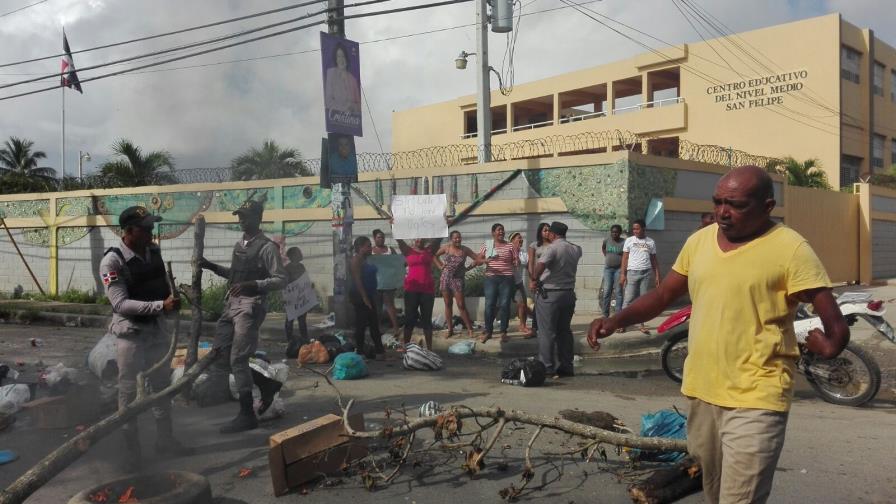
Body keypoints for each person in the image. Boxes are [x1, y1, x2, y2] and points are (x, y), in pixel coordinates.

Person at [588, 166, 849, 504]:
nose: (723, 212)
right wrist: (615, 320)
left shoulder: (791, 248)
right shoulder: (699, 241)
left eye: (735, 205)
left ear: (767, 206)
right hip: (703, 392)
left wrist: (829, 345)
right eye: (718, 202)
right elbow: (664, 295)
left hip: (758, 394)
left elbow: (834, 322)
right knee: (714, 491)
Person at [99, 206, 191, 472]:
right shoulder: (112, 262)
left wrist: (172, 301)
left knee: (161, 389)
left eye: (152, 227)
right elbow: (120, 304)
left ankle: (165, 441)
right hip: (132, 335)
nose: (151, 232)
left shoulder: (154, 252)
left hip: (156, 332)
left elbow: (161, 285)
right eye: (146, 228)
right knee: (128, 395)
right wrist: (160, 306)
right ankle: (132, 453)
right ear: (128, 231)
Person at [199, 199, 288, 433]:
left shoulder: (267, 247)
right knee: (221, 354)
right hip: (231, 305)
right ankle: (267, 385)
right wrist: (210, 266)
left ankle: (247, 414)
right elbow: (234, 276)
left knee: (238, 359)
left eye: (245, 216)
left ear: (258, 218)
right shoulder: (239, 245)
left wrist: (254, 284)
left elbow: (281, 279)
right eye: (239, 216)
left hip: (250, 306)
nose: (241, 220)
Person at [529, 221, 582, 379]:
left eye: (549, 233)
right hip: (568, 294)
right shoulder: (575, 248)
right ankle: (566, 366)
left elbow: (539, 267)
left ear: (553, 234)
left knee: (547, 333)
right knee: (564, 332)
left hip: (550, 294)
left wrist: (534, 278)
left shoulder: (552, 248)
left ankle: (548, 367)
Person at [396, 237, 441, 350]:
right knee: (409, 320)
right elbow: (399, 239)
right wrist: (393, 225)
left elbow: (439, 239)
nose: (419, 240)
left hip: (427, 290)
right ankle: (406, 348)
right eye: (417, 238)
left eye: (421, 238)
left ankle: (429, 349)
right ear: (413, 239)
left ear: (425, 240)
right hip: (411, 289)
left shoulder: (430, 250)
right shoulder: (408, 250)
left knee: (427, 320)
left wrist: (446, 225)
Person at [434, 230, 480, 339]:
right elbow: (434, 256)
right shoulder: (446, 248)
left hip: (458, 279)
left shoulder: (465, 250)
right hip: (445, 278)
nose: (458, 239)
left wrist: (468, 268)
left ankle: (470, 329)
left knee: (461, 304)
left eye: (459, 237)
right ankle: (450, 329)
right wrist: (440, 266)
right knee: (448, 303)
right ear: (451, 239)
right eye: (455, 238)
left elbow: (477, 259)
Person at [478, 223, 518, 343]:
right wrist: (485, 260)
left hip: (506, 279)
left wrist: (516, 261)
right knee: (489, 305)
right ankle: (488, 331)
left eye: (502, 230)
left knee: (505, 305)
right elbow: (478, 259)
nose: (501, 232)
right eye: (498, 230)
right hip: (491, 278)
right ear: (493, 233)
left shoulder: (510, 246)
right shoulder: (487, 244)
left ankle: (503, 332)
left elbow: (516, 259)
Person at [620, 219, 660, 334]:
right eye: (634, 229)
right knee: (628, 299)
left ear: (643, 229)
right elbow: (625, 258)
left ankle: (641, 324)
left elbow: (653, 259)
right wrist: (623, 274)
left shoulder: (650, 242)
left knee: (643, 301)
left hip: (646, 273)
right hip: (632, 273)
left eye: (637, 229)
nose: (635, 231)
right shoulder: (629, 241)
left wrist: (657, 275)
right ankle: (622, 323)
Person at [350, 236, 385, 359]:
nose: (371, 248)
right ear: (360, 248)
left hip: (370, 294)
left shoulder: (367, 260)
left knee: (374, 323)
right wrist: (364, 298)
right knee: (361, 324)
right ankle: (359, 351)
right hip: (360, 296)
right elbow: (357, 280)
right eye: (368, 246)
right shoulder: (356, 260)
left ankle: (379, 351)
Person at [371, 229, 400, 336]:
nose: (381, 239)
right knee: (377, 307)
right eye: (379, 237)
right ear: (374, 238)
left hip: (388, 282)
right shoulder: (371, 250)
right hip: (375, 283)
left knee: (390, 306)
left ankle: (396, 328)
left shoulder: (390, 250)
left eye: (382, 237)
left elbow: (397, 263)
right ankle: (377, 328)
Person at [283, 247, 309, 356]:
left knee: (302, 321)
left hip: (301, 298)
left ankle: (305, 341)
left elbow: (305, 280)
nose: (301, 254)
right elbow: (285, 283)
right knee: (290, 320)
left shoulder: (302, 267)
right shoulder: (287, 268)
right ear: (293, 256)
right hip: (292, 298)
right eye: (299, 253)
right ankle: (290, 342)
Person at [527, 222, 552, 334]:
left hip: (552, 279)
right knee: (538, 304)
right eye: (545, 230)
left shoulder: (554, 245)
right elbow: (531, 263)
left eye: (549, 230)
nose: (547, 232)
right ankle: (534, 328)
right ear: (540, 232)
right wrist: (532, 280)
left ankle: (549, 328)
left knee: (551, 304)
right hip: (539, 279)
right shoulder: (534, 245)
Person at [509, 232, 534, 337]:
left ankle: (522, 325)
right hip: (505, 282)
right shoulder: (507, 251)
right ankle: (489, 328)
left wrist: (533, 280)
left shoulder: (523, 253)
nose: (521, 240)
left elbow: (529, 267)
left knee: (523, 304)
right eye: (519, 238)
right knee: (498, 305)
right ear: (512, 240)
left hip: (517, 282)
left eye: (521, 238)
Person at [324, 45, 361, 115]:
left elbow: (359, 106)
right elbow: (328, 101)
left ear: (346, 58)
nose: (341, 59)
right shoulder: (330, 73)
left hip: (352, 121)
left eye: (343, 56)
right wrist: (345, 107)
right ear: (336, 59)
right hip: (335, 118)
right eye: (338, 56)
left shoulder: (353, 80)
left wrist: (352, 107)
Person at [600, 224, 625, 318]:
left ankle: (618, 315)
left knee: (618, 292)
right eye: (613, 232)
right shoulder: (607, 240)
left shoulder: (624, 242)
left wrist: (623, 270)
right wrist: (607, 257)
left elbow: (626, 256)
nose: (614, 234)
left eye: (616, 232)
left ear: (620, 233)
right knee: (607, 291)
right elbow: (603, 248)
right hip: (608, 269)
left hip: (619, 269)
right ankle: (605, 314)